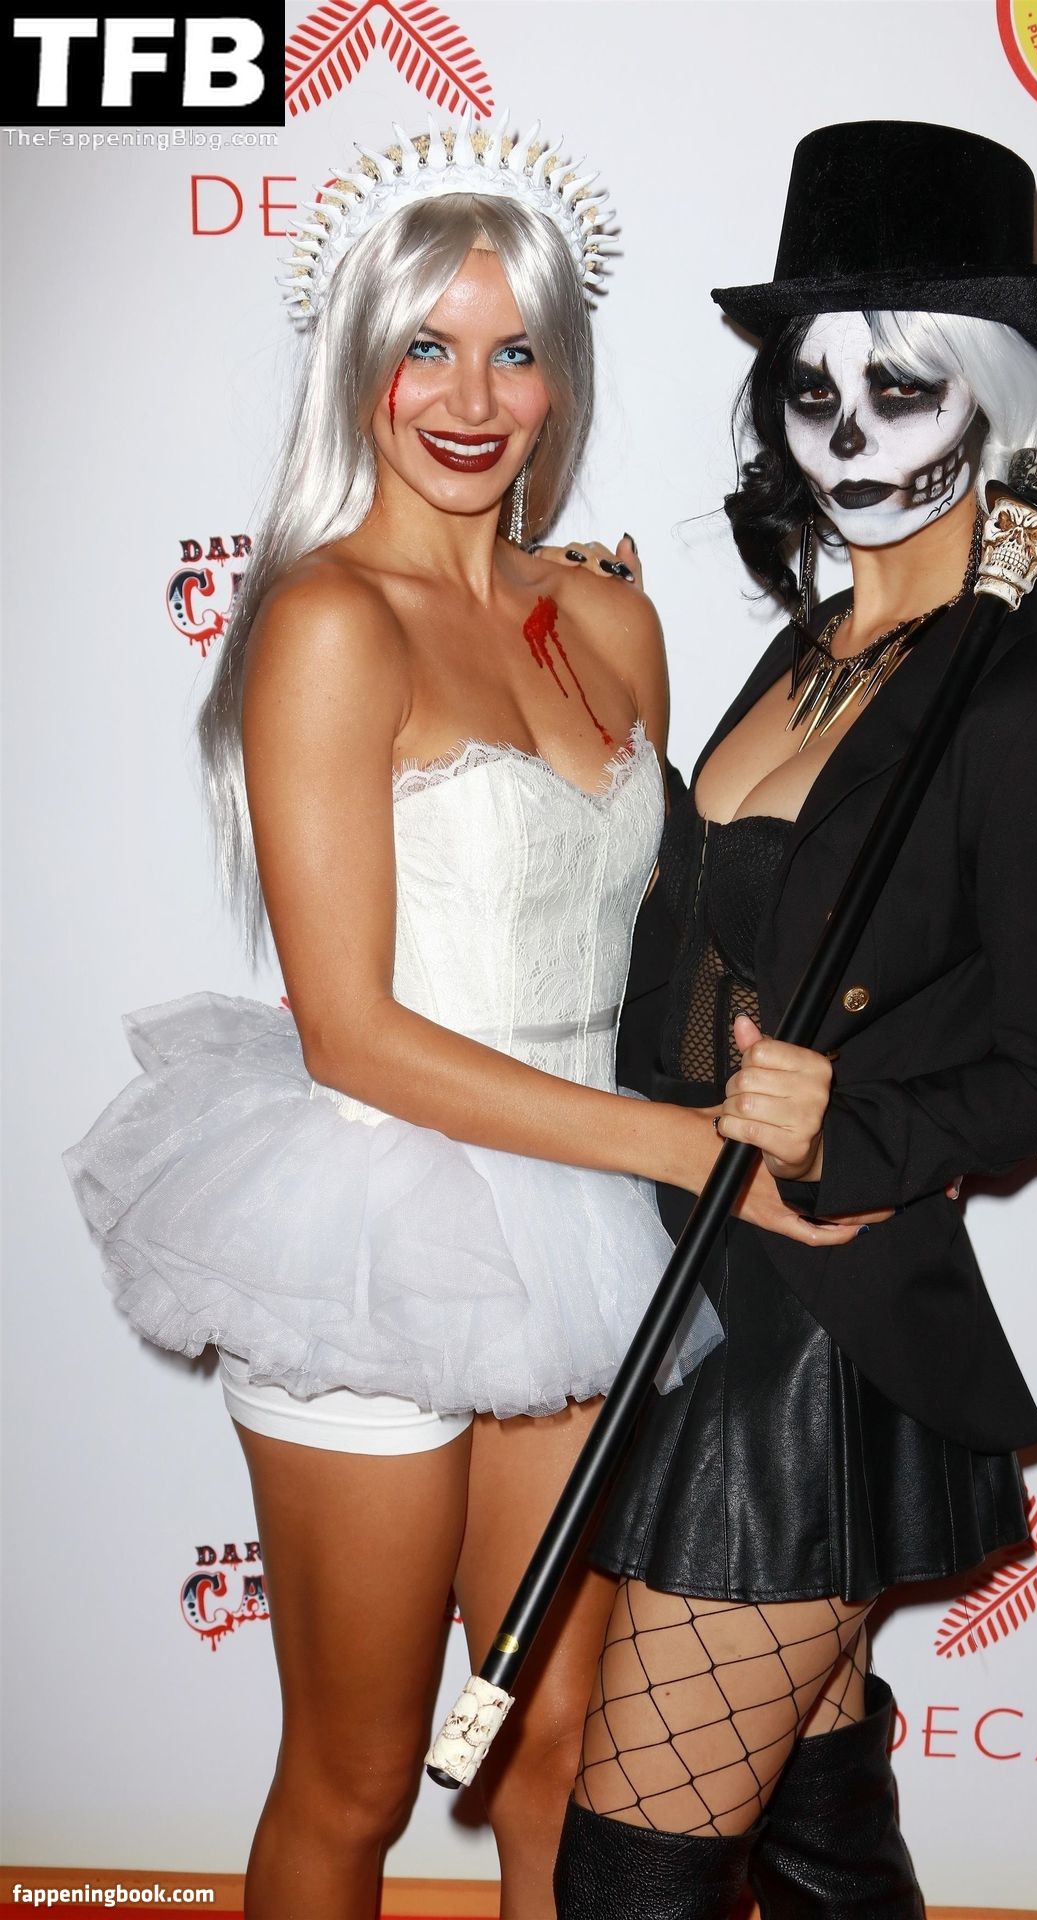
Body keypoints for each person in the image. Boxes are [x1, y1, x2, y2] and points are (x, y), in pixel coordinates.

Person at [59, 112, 855, 1920]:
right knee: (354, 1777)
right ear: (358, 360)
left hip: (585, 1219)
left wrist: (759, 1070)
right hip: (378, 1222)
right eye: (426, 344)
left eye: (515, 350)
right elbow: (351, 1032)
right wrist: (683, 1150)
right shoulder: (326, 622)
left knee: (558, 1743)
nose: (472, 398)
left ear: (563, 375)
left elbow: (656, 938)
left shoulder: (610, 621)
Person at [548, 121, 1037, 1918]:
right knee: (816, 1835)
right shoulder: (799, 647)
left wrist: (848, 1132)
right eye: (812, 392)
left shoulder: (1033, 716)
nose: (850, 436)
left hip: (810, 1337)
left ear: (997, 403)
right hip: (682, 1278)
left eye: (900, 387)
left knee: (629, 1882)